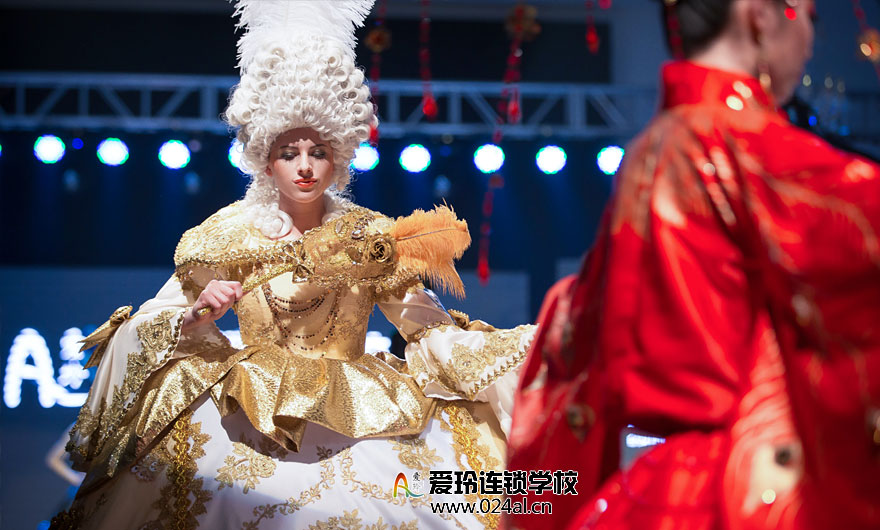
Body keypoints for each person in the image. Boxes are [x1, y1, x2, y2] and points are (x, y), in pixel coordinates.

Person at [51, 1, 534, 528]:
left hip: (362, 417)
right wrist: (196, 317)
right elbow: (153, 321)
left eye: (318, 151)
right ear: (265, 159)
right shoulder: (229, 235)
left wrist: (523, 356)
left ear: (339, 155)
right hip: (247, 414)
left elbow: (427, 327)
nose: (304, 166)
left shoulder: (368, 237)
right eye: (289, 152)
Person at [506, 0, 880, 529]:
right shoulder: (746, 147)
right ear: (759, 14)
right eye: (808, 16)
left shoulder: (649, 151)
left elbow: (577, 325)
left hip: (649, 491)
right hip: (746, 493)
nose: (812, 39)